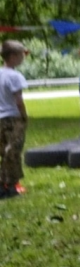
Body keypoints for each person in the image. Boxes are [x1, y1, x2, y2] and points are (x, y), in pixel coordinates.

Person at [0, 41, 28, 199]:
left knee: (4, 151)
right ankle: (11, 185)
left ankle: (2, 182)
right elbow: (18, 100)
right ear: (13, 56)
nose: (23, 57)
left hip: (0, 119)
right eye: (22, 54)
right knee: (13, 151)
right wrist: (24, 116)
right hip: (13, 118)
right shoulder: (15, 76)